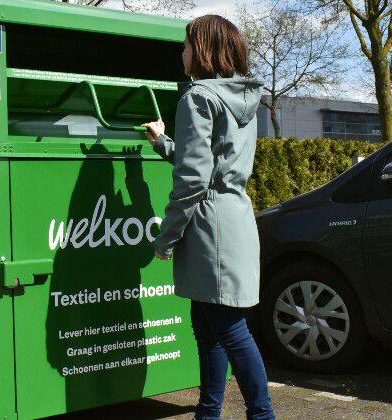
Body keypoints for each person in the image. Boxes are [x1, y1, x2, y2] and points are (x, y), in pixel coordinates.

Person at [141, 14, 274, 420]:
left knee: (230, 331)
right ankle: (208, 412)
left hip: (209, 227)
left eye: (185, 45)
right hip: (233, 216)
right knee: (208, 328)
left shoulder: (196, 97)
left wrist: (165, 239)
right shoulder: (241, 97)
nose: (181, 52)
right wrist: (163, 142)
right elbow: (211, 162)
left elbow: (193, 181)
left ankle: (263, 415)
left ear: (201, 49)